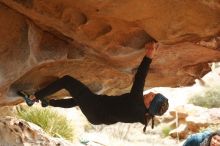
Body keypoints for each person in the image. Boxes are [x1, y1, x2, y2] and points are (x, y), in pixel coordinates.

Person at [18, 41, 169, 132]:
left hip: (96, 108)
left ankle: (34, 97)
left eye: (153, 96)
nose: (152, 92)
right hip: (97, 116)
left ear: (149, 104)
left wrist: (149, 55)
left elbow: (141, 77)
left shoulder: (136, 103)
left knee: (67, 80)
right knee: (79, 99)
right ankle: (48, 102)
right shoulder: (142, 115)